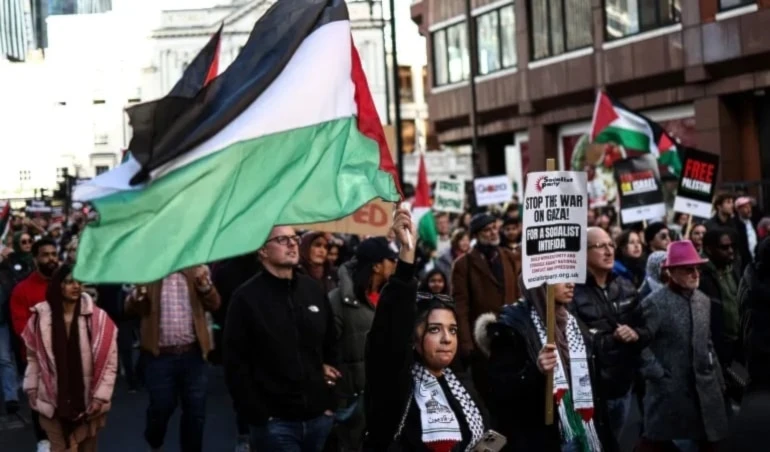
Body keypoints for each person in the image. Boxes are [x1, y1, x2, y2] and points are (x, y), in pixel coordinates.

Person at [364, 209, 488, 451]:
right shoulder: (395, 382)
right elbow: (391, 330)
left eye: (452, 330)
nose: (446, 339)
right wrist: (407, 258)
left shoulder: (462, 384)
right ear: (414, 337)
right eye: (434, 329)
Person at [224, 226, 339, 452]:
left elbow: (331, 342)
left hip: (319, 418)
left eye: (294, 238)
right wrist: (258, 415)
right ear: (263, 251)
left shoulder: (311, 289)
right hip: (275, 424)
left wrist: (329, 403)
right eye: (282, 239)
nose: (292, 244)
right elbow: (235, 363)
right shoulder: (245, 298)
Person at [478, 281, 609, 451]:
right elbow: (499, 391)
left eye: (570, 275)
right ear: (541, 283)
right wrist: (536, 371)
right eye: (561, 277)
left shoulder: (573, 323)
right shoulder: (511, 327)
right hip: (539, 436)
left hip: (579, 429)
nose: (571, 284)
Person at [636, 241, 729, 451]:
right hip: (671, 395)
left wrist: (719, 380)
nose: (696, 274)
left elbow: (708, 343)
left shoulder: (703, 300)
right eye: (689, 269)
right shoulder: (655, 303)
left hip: (706, 393)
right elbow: (640, 344)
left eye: (698, 268)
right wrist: (659, 375)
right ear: (671, 272)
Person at [21, 264, 118, 452]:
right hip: (53, 401)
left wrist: (100, 397)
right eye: (68, 282)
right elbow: (33, 358)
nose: (76, 286)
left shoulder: (98, 319)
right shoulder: (39, 318)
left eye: (79, 281)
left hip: (89, 402)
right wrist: (32, 389)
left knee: (87, 447)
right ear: (58, 285)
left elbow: (110, 362)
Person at [125, 265, 221, 452]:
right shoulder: (148, 272)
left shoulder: (197, 270)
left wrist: (205, 286)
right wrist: (138, 295)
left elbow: (215, 303)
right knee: (161, 407)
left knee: (195, 412)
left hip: (193, 354)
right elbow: (130, 308)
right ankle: (154, 440)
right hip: (159, 356)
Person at [572, 227, 643, 446]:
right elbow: (576, 341)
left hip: (622, 386)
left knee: (615, 441)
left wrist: (636, 333)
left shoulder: (625, 285)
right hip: (591, 392)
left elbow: (645, 326)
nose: (609, 251)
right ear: (583, 252)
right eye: (599, 246)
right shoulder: (571, 292)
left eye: (611, 245)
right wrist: (613, 339)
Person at [328, 237, 397, 451]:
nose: (395, 264)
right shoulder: (338, 300)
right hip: (353, 403)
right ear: (376, 265)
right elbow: (326, 350)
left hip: (387, 398)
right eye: (391, 259)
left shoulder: (393, 296)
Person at [451, 213, 520, 404]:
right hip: (483, 342)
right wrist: (466, 344)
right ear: (476, 235)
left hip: (511, 337)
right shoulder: (463, 265)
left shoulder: (509, 257)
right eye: (486, 230)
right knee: (488, 396)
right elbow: (461, 306)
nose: (492, 233)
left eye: (494, 228)